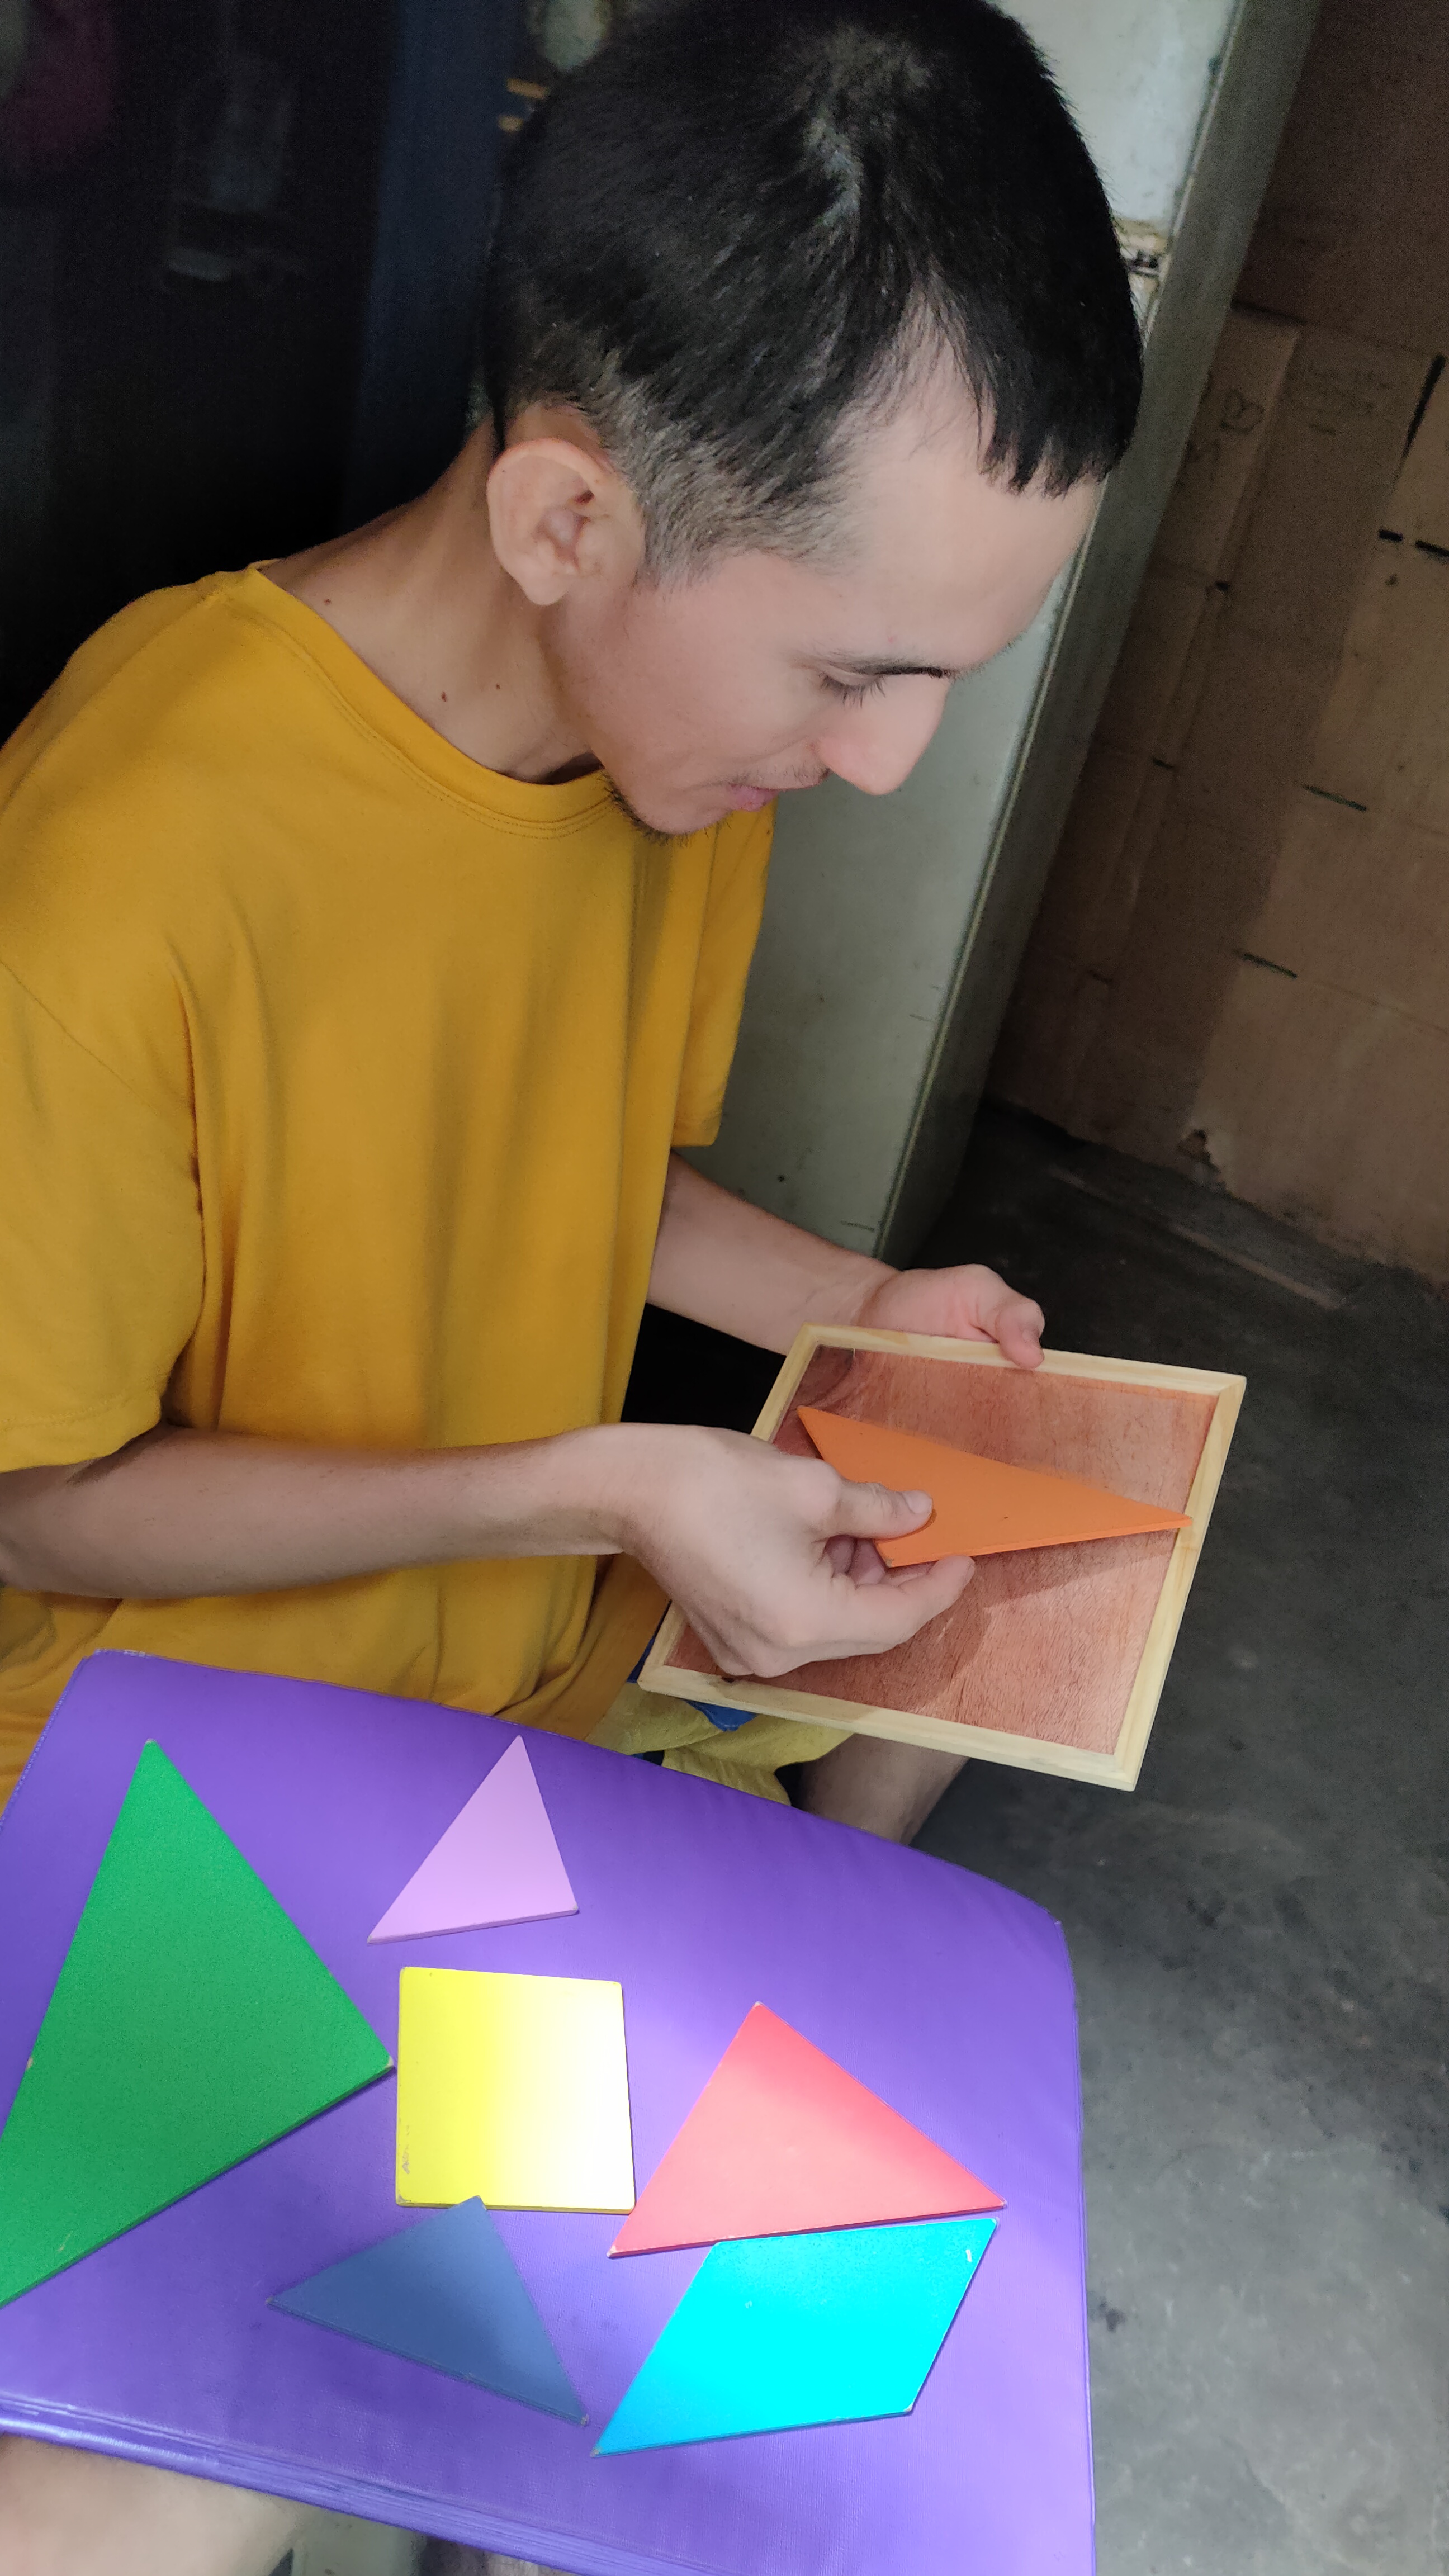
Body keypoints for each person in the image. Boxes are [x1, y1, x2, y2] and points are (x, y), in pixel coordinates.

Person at [0, 0, 1140, 2563]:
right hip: (188, 1795)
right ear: (562, 521)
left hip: (544, 1680)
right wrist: (607, 1478)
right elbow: (38, 1507)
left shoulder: (672, 761)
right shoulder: (112, 873)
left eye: (942, 676)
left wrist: (858, 1301)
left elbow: (572, 1164)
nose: (887, 762)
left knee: (1007, 1600)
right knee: (150, 2519)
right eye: (856, 669)